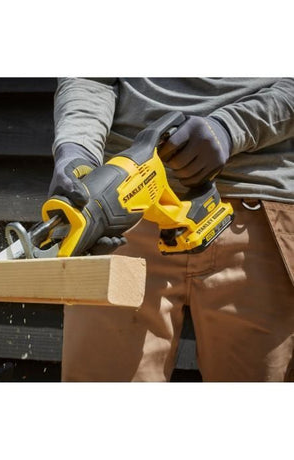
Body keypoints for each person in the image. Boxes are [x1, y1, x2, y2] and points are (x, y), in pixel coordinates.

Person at [48, 78, 294, 382]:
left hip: (255, 211)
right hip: (123, 208)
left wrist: (230, 128)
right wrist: (77, 149)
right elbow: (90, 78)